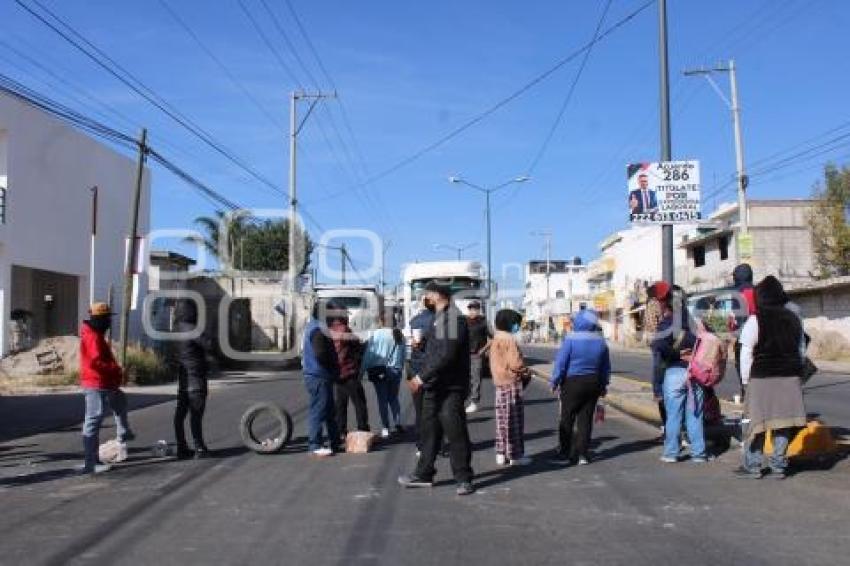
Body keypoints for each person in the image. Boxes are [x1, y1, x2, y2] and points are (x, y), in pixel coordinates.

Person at [398, 281, 475, 496]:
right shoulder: (438, 318)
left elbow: (447, 355)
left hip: (450, 387)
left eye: (427, 294)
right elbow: (436, 350)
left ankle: (464, 478)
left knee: (455, 432)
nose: (425, 298)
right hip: (434, 385)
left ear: (438, 295)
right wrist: (421, 345)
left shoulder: (453, 319)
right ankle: (424, 474)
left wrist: (420, 378)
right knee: (429, 431)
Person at [735, 276, 807, 480]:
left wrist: (746, 381)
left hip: (761, 378)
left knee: (756, 423)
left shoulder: (755, 320)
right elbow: (801, 350)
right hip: (789, 377)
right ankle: (778, 464)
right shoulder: (794, 319)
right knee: (783, 422)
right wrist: (797, 373)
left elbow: (746, 353)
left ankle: (753, 466)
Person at [549, 308, 610, 466]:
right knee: (585, 419)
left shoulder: (570, 338)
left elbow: (561, 363)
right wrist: (604, 384)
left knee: (567, 417)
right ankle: (583, 454)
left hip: (572, 382)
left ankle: (565, 452)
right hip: (593, 382)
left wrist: (554, 381)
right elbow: (605, 367)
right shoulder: (600, 341)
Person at [78, 302, 134, 474]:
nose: (109, 322)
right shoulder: (93, 336)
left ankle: (123, 433)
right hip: (96, 383)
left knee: (120, 401)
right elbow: (95, 362)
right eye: (107, 318)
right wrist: (115, 369)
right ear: (100, 319)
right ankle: (90, 463)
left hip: (105, 383)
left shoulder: (95, 334)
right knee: (93, 419)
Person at [652, 289, 707, 463]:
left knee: (674, 415)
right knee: (695, 415)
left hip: (674, 372)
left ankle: (671, 453)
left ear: (667, 306)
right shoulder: (696, 324)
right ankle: (699, 453)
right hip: (695, 373)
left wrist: (675, 355)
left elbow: (659, 347)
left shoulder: (667, 324)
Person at [489, 309, 530, 466]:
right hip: (511, 382)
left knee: (502, 421)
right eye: (516, 323)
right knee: (514, 420)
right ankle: (515, 455)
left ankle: (501, 453)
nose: (517, 326)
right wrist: (525, 370)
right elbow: (516, 363)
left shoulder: (496, 337)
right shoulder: (509, 339)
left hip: (499, 383)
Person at [302, 301, 343, 458]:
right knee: (318, 410)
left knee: (329, 410)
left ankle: (335, 441)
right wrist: (332, 367)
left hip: (321, 375)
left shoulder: (316, 326)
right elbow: (320, 354)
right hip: (318, 375)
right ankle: (315, 445)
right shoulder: (318, 329)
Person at [173, 299, 210, 459]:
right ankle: (199, 447)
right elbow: (209, 344)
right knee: (196, 416)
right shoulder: (193, 330)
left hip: (183, 380)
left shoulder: (176, 330)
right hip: (196, 379)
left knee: (180, 415)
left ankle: (181, 447)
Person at [362, 321, 405, 438]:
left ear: (381, 321)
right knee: (393, 398)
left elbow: (368, 356)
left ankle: (385, 427)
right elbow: (403, 355)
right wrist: (400, 368)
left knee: (382, 400)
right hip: (396, 370)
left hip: (380, 371)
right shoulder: (399, 334)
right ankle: (398, 423)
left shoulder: (376, 334)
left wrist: (361, 371)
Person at [330, 313, 369, 441]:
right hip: (349, 372)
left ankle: (341, 431)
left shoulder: (329, 331)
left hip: (337, 373)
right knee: (359, 402)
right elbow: (357, 344)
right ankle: (363, 429)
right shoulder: (345, 330)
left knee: (340, 404)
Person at [408, 295, 436, 453]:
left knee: (419, 411)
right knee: (435, 410)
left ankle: (420, 445)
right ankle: (436, 445)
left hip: (415, 368)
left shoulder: (414, 321)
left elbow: (412, 344)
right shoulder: (439, 321)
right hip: (433, 370)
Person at [646, 281, 671, 438]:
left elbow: (652, 329)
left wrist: (653, 342)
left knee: (660, 388)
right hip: (672, 347)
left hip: (660, 348)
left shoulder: (653, 305)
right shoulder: (671, 304)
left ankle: (668, 428)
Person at [730, 263, 756, 402]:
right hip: (762, 335)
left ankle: (746, 392)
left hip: (745, 335)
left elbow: (736, 320)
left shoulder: (737, 294)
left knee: (742, 363)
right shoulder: (758, 291)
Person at [465, 301, 491, 414]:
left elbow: (493, 338)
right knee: (465, 379)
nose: (473, 311)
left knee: (476, 379)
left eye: (475, 309)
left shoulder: (484, 322)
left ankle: (474, 402)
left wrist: (483, 350)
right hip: (464, 355)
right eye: (471, 309)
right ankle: (464, 399)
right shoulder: (464, 321)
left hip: (477, 355)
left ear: (479, 310)